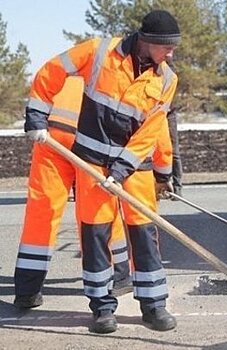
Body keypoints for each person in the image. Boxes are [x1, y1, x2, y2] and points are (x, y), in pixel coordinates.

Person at [24, 9, 180, 333]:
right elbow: (50, 72)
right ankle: (102, 309)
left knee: (145, 237)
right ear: (149, 41)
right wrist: (37, 118)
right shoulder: (98, 52)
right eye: (167, 47)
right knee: (95, 237)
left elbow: (151, 131)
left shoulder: (167, 79)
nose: (171, 53)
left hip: (134, 168)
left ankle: (154, 306)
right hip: (91, 165)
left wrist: (124, 169)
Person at [14, 77, 131, 310]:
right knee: (100, 208)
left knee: (42, 211)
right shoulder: (121, 76)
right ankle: (118, 277)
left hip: (53, 136)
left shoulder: (67, 74)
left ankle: (27, 290)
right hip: (92, 139)